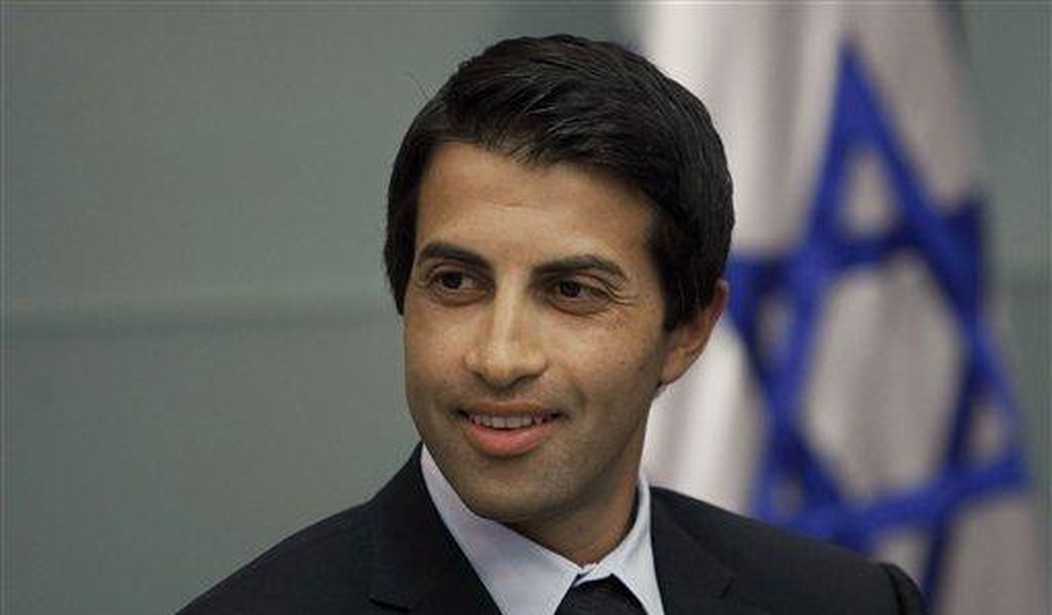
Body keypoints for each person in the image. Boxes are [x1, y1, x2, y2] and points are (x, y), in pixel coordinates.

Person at [178, 34, 926, 615]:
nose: (499, 356)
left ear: (688, 330)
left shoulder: (850, 603)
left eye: (571, 291)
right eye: (456, 282)